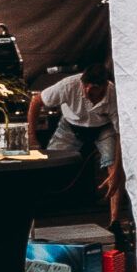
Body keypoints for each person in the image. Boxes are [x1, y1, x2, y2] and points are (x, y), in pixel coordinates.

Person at [29, 55, 121, 227]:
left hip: (103, 127)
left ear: (104, 86)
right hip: (71, 125)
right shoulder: (68, 85)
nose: (87, 91)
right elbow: (36, 101)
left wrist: (116, 172)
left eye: (93, 88)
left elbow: (120, 134)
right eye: (85, 86)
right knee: (49, 163)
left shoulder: (113, 94)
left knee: (111, 162)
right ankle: (37, 218)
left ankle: (114, 222)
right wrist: (32, 138)